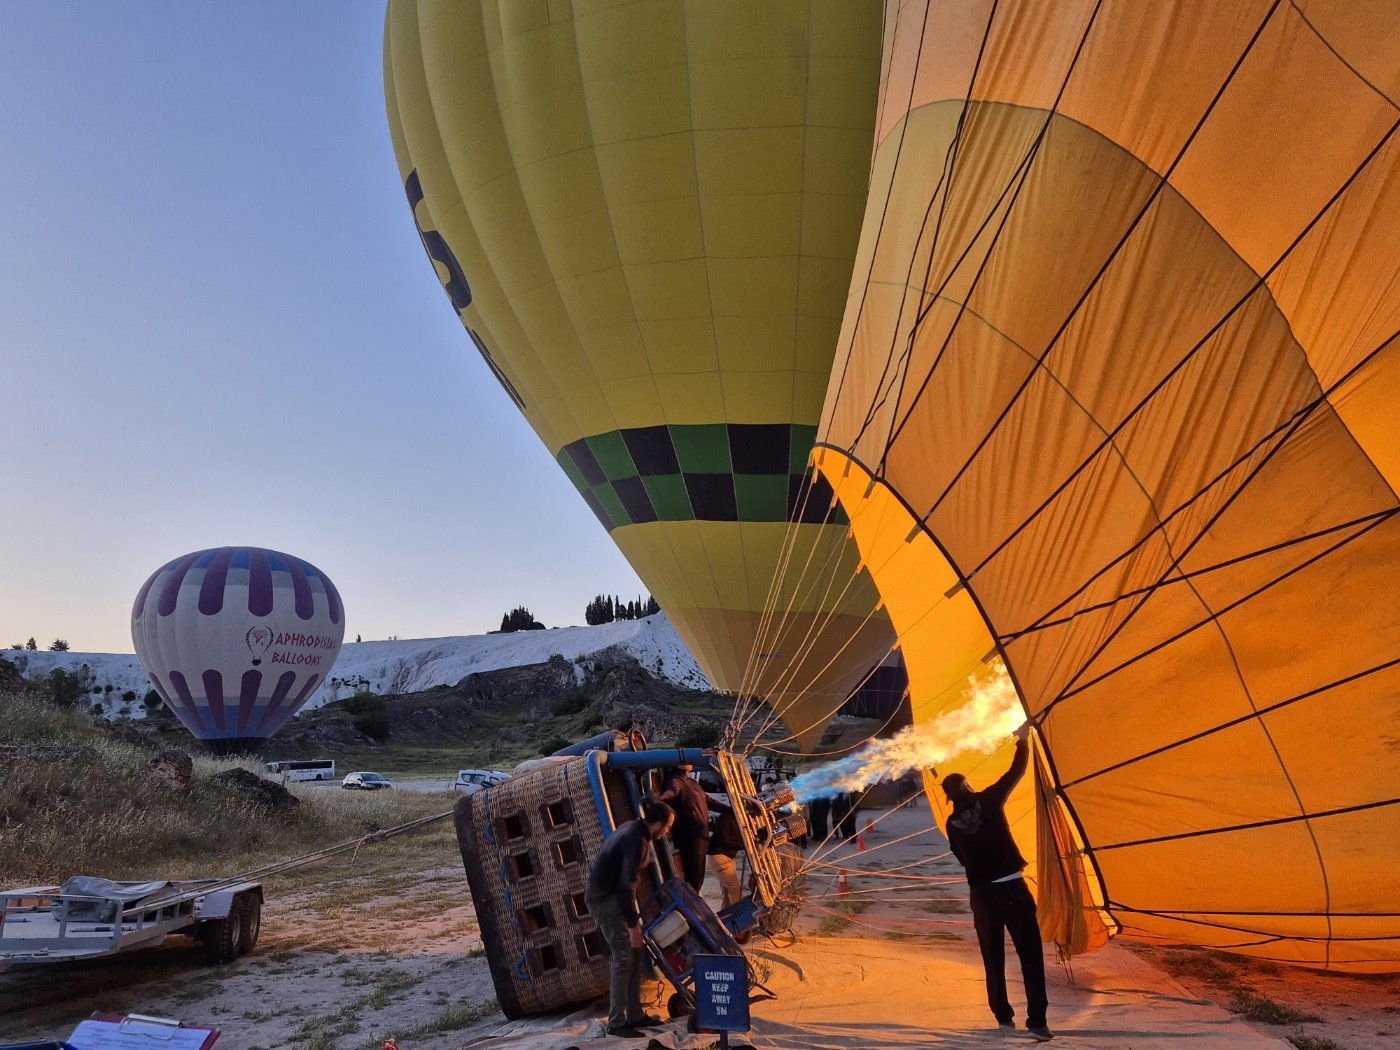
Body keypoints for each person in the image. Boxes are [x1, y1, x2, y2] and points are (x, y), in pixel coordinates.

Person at [942, 724, 1051, 1042]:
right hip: (1012, 889)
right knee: (1030, 956)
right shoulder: (988, 800)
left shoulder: (951, 823)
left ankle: (1003, 1017)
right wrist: (1022, 741)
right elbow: (1015, 773)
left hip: (982, 896)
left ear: (949, 798)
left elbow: (961, 857)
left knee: (993, 959)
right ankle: (1037, 1022)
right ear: (968, 786)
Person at [585, 800, 674, 1037]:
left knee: (634, 953)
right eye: (667, 827)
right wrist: (634, 926)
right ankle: (616, 1023)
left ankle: (635, 1015)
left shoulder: (633, 828)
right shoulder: (637, 842)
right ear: (658, 824)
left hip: (612, 894)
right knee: (623, 956)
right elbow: (624, 887)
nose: (667, 832)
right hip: (605, 898)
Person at [658, 763, 719, 892]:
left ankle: (691, 899)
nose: (690, 762)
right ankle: (690, 902)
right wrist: (663, 798)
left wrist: (731, 810)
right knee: (694, 878)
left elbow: (709, 801)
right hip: (691, 836)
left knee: (698, 877)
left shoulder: (692, 782)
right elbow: (673, 791)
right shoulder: (675, 780)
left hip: (701, 834)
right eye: (685, 760)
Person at [707, 807, 745, 911]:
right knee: (735, 890)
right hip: (719, 857)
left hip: (727, 858)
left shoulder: (739, 820)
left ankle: (725, 916)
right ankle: (739, 915)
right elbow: (724, 840)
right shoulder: (726, 817)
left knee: (728, 892)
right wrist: (743, 846)